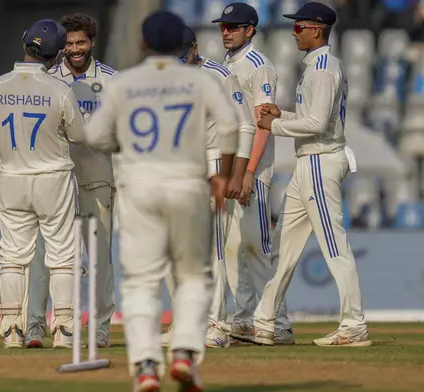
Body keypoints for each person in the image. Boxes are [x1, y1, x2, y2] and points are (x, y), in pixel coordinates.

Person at [86, 10, 240, 392]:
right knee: (193, 276)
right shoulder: (198, 81)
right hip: (188, 184)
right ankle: (185, 351)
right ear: (180, 46)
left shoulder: (125, 83)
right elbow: (231, 124)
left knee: (141, 283)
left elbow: (95, 135)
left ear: (143, 44)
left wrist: (125, 143)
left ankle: (146, 366)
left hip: (139, 186)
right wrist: (223, 173)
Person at [254, 2, 372, 347]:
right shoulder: (319, 66)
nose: (293, 32)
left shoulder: (322, 68)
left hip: (319, 163)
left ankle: (353, 325)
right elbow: (313, 118)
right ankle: (266, 321)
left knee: (334, 247)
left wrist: (274, 124)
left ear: (317, 29)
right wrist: (285, 114)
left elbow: (318, 125)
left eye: (298, 27)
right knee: (282, 248)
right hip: (309, 162)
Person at [0, 19, 86, 349]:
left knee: (12, 255)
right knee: (63, 254)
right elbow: (80, 135)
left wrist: (17, 150)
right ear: (56, 56)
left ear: (25, 44)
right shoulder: (60, 89)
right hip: (53, 179)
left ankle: (11, 328)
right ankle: (64, 329)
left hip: (12, 178)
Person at [161, 25, 255, 349]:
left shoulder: (218, 75)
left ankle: (215, 324)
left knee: (213, 249)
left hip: (215, 164)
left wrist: (238, 173)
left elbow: (245, 123)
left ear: (194, 48)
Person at [27, 12, 116, 349]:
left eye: (82, 42)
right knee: (44, 254)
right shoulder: (47, 78)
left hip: (96, 179)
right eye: (69, 43)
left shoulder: (111, 79)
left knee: (99, 256)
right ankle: (36, 322)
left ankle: (99, 326)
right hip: (54, 180)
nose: (76, 49)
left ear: (92, 42)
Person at [214, 2, 295, 345]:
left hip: (253, 172)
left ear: (250, 30)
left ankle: (278, 322)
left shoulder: (259, 65)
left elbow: (264, 123)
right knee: (234, 251)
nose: (226, 31)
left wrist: (248, 171)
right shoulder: (225, 66)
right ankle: (245, 320)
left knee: (257, 248)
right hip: (231, 169)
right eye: (223, 26)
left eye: (233, 26)